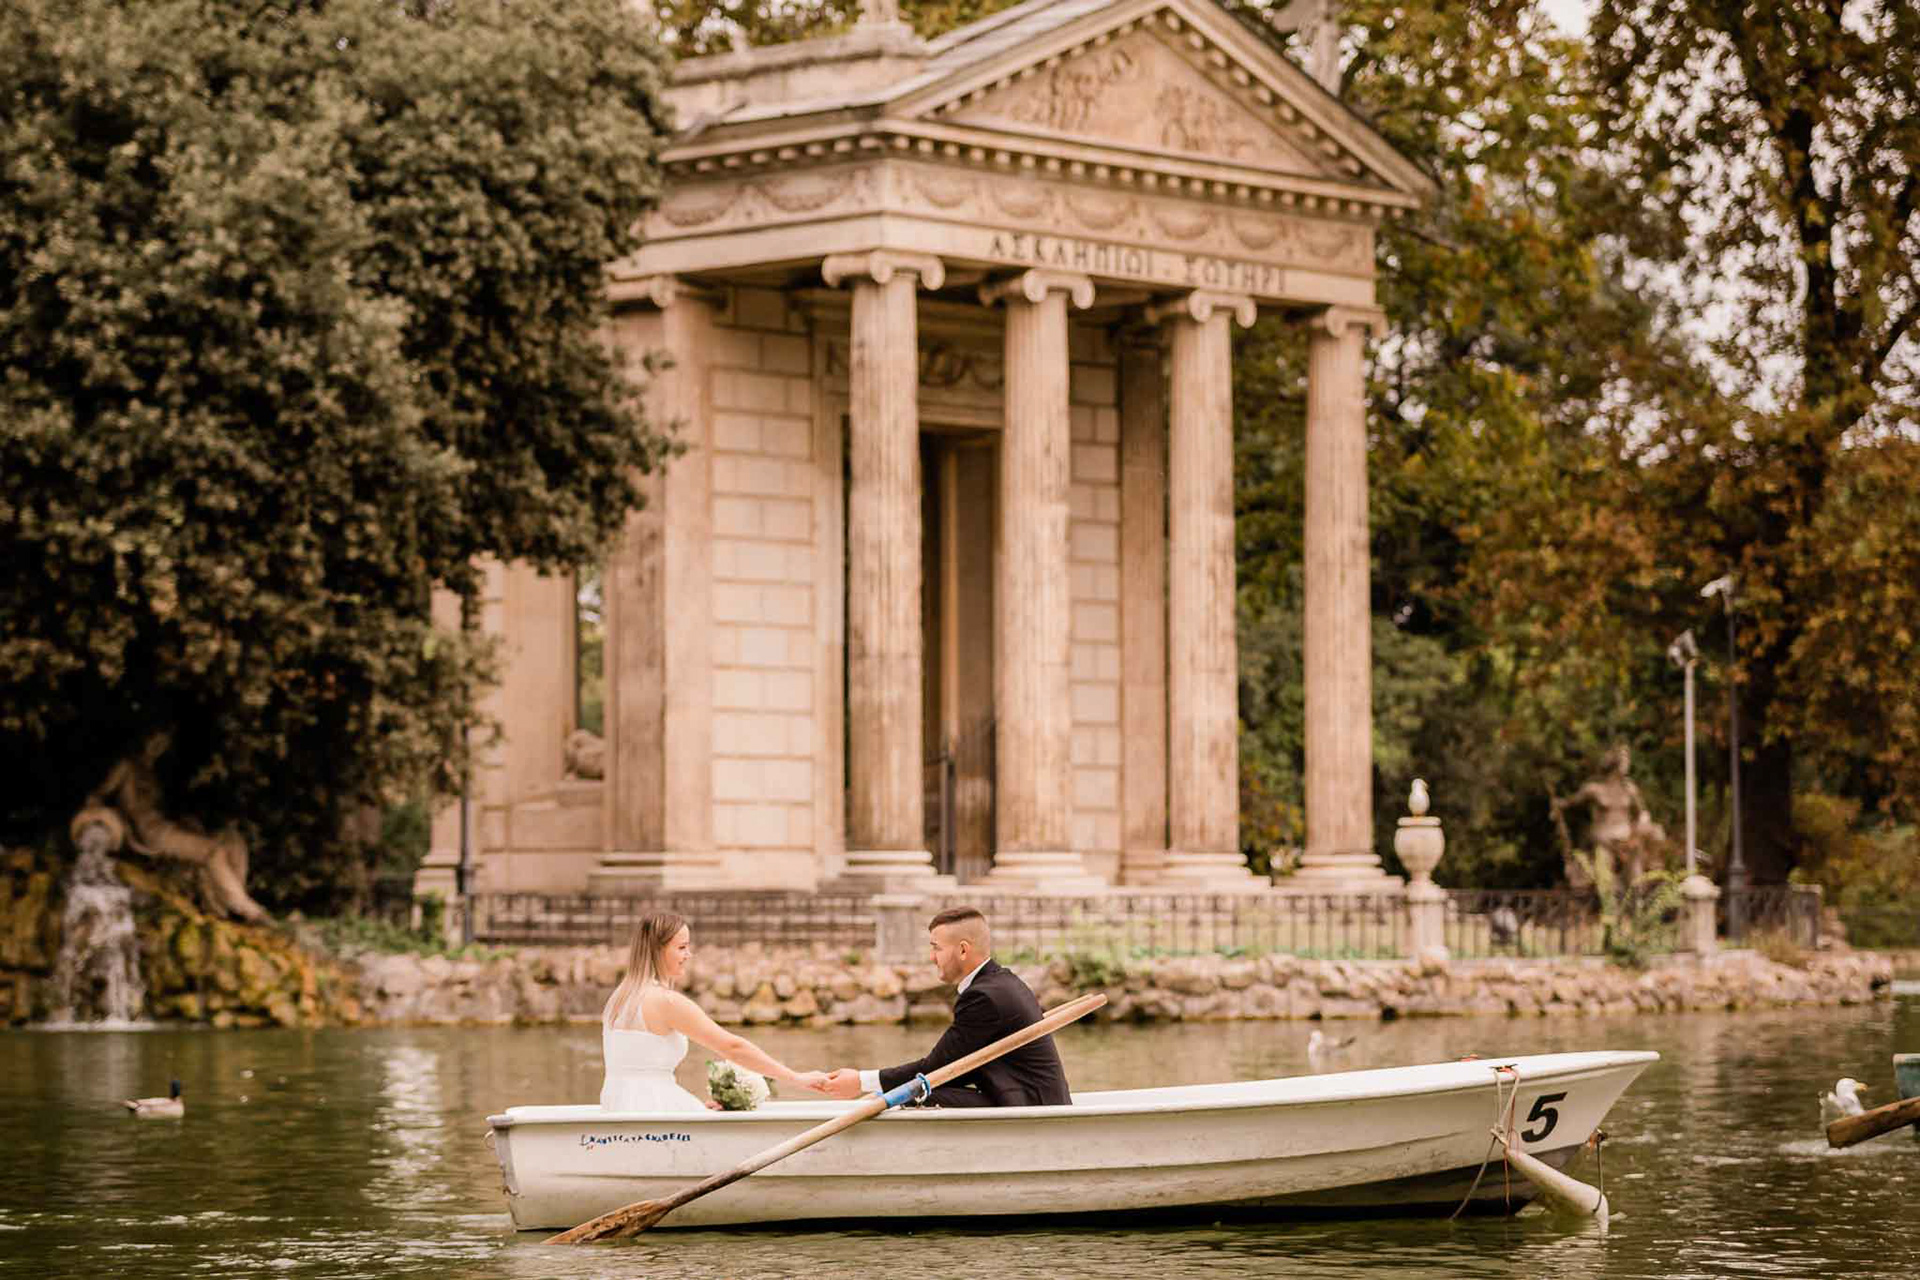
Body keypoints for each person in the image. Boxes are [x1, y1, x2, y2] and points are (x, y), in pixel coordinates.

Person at [821, 906, 1071, 1108]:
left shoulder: (984, 997)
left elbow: (935, 1070)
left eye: (936, 948)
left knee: (912, 1097)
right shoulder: (1001, 982)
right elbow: (952, 1069)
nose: (931, 958)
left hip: (1030, 1106)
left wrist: (863, 1081)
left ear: (963, 950)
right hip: (1030, 1098)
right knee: (909, 1091)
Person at [601, 912, 829, 1112]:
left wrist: (694, 1107)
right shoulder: (666, 1001)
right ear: (658, 950)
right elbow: (733, 1047)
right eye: (681, 947)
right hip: (653, 1108)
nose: (688, 955)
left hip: (617, 1105)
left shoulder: (618, 999)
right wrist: (796, 1078)